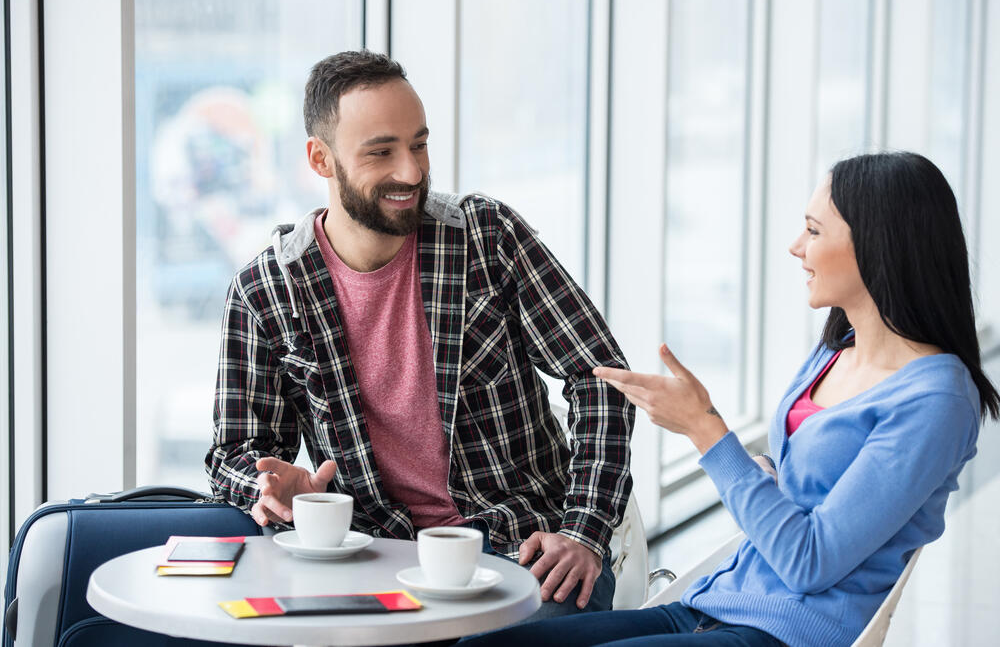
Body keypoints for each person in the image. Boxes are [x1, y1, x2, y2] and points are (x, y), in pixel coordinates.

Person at [459, 151, 997, 646]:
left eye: (813, 230)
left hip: (788, 632)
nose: (795, 246)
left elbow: (809, 561)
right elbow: (793, 485)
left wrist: (705, 430)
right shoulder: (836, 351)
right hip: (717, 602)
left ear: (879, 245)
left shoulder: (937, 399)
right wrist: (758, 469)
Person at [206, 50, 634, 617]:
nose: (410, 171)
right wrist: (267, 487)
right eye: (381, 152)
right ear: (321, 159)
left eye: (419, 144)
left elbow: (600, 376)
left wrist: (583, 530)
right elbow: (235, 452)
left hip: (525, 549)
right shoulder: (267, 293)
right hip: (373, 562)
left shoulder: (487, 237)